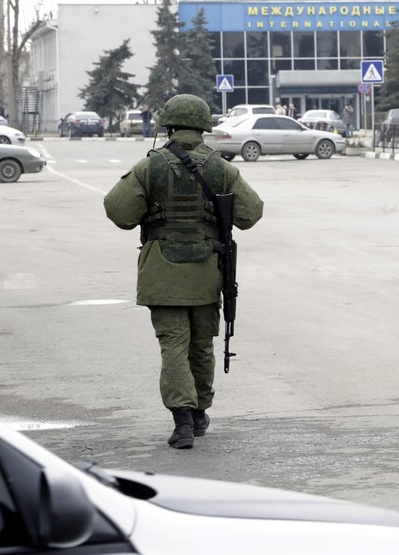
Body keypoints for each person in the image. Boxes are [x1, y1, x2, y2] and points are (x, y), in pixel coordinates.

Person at [104, 94, 264, 450]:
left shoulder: (151, 166)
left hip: (162, 273)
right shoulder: (221, 168)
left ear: (169, 125)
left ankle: (182, 422)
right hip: (207, 272)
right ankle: (200, 413)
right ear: (204, 126)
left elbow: (119, 213)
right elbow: (250, 214)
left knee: (173, 346)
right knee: (202, 345)